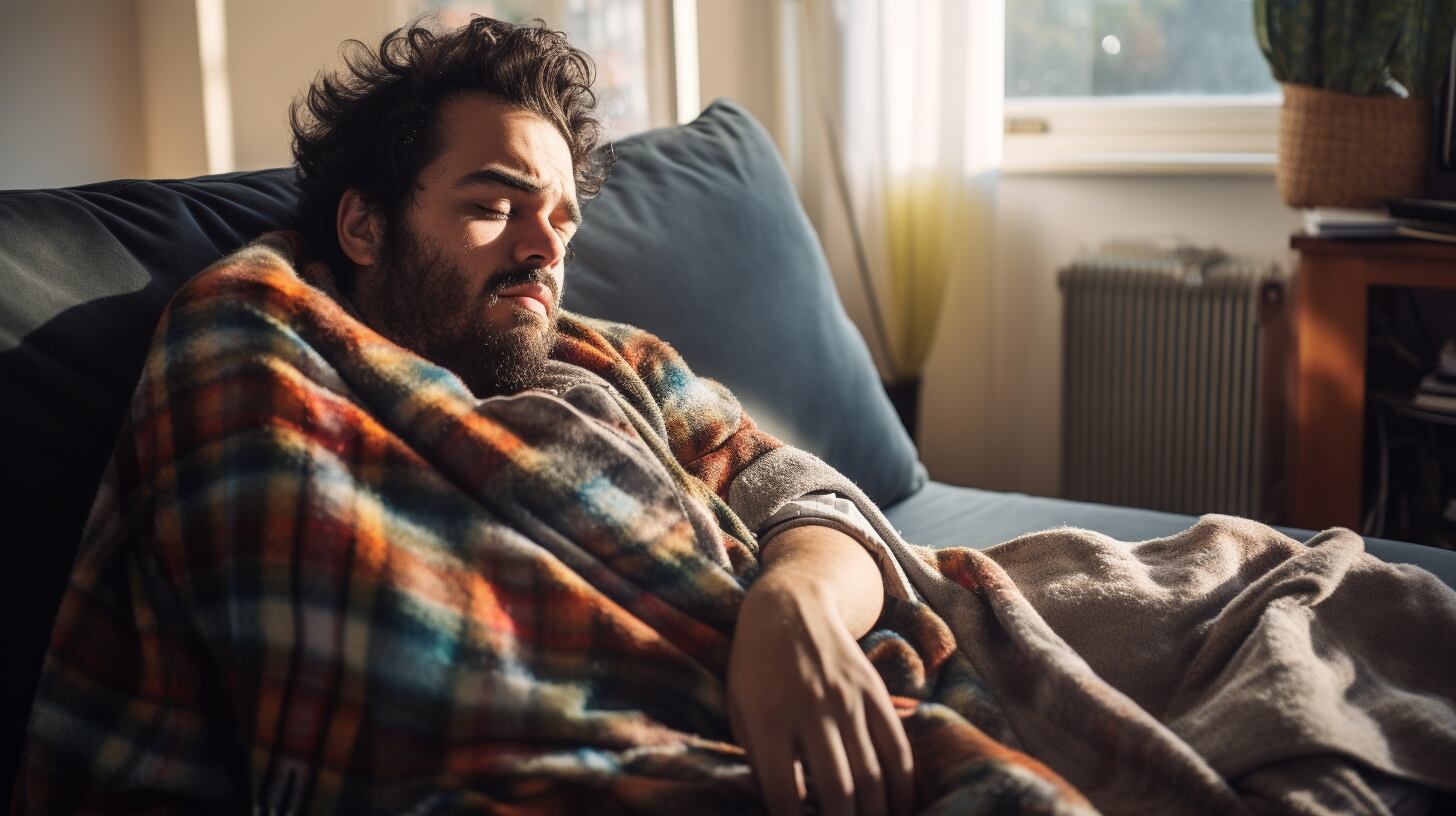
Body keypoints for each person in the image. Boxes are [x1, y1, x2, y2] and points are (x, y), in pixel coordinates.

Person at [14, 16, 926, 816]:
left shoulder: (609, 356)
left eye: (562, 223)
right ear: (365, 227)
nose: (544, 250)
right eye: (494, 205)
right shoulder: (255, 342)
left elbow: (803, 492)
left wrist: (794, 607)